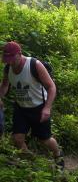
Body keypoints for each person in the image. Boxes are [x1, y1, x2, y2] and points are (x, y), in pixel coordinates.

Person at [0, 41, 64, 170]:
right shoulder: (8, 68)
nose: (10, 62)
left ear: (19, 54)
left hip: (39, 107)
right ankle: (33, 163)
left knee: (44, 140)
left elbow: (51, 87)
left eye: (12, 59)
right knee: (17, 139)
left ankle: (58, 155)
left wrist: (47, 108)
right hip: (21, 108)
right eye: (7, 59)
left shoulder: (34, 65)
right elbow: (5, 85)